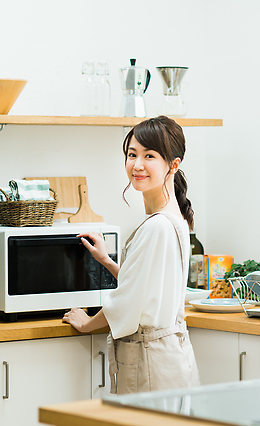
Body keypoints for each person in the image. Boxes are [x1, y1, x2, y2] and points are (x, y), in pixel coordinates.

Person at [63, 115, 200, 394]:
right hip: (170, 358)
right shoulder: (175, 219)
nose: (137, 165)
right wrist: (108, 261)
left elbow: (127, 301)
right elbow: (145, 285)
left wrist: (87, 324)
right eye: (131, 154)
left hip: (150, 362)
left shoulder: (158, 225)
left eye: (149, 156)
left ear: (173, 164)